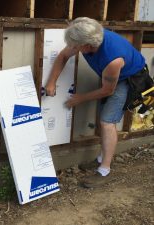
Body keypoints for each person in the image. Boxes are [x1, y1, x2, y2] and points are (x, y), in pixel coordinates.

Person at [45, 17, 148, 188]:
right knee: (104, 116)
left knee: (107, 122)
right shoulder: (87, 35)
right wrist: (51, 82)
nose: (73, 49)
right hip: (111, 78)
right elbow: (63, 56)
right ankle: (101, 158)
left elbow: (108, 90)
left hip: (129, 79)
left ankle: (104, 170)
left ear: (87, 46)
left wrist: (80, 98)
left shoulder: (113, 60)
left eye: (76, 47)